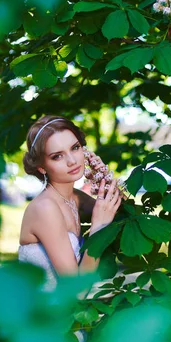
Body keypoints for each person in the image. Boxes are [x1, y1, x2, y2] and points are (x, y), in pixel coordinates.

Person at [18, 116, 123, 291]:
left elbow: (123, 211)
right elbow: (76, 292)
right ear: (42, 167)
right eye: (57, 156)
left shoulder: (75, 198)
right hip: (42, 314)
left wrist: (103, 175)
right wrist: (98, 227)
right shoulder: (45, 208)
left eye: (75, 148)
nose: (72, 161)